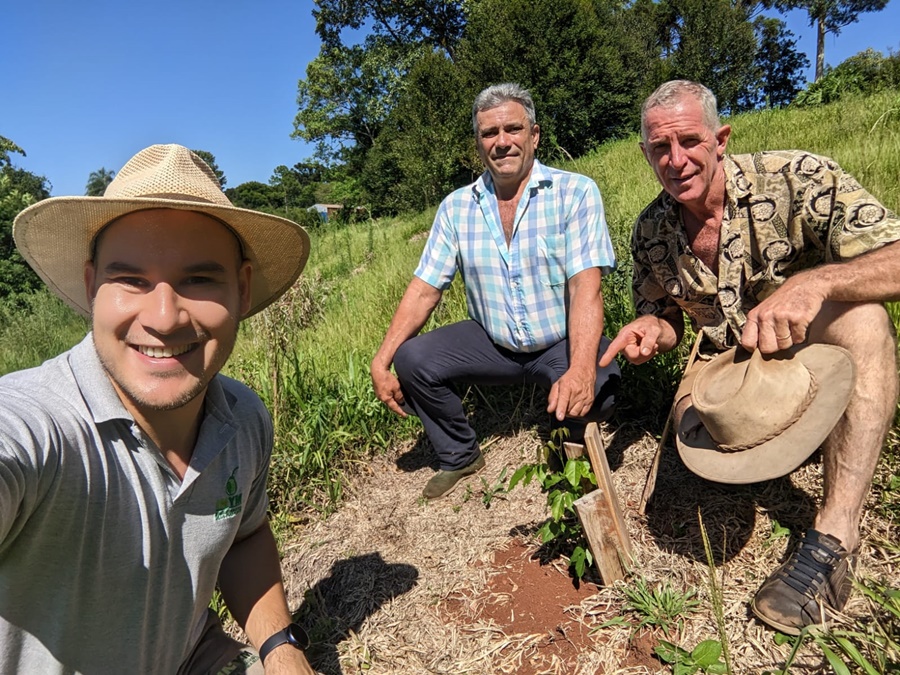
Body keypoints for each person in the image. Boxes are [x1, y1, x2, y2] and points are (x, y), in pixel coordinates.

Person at [600, 80, 900, 635]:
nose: (676, 160)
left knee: (864, 320)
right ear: (645, 154)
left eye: (690, 141)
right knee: (695, 465)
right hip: (726, 369)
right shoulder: (649, 230)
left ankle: (836, 536)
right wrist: (652, 329)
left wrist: (816, 283)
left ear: (720, 139)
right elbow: (667, 321)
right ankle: (791, 432)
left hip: (807, 347)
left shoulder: (797, 177)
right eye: (660, 148)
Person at [3, 144, 317, 673]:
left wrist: (282, 650)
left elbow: (244, 537)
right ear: (91, 286)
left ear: (241, 290)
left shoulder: (243, 417)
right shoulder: (37, 423)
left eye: (199, 279)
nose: (165, 318)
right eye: (131, 280)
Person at [371, 83, 620, 500]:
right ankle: (460, 454)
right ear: (479, 143)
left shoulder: (574, 192)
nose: (502, 142)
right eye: (489, 133)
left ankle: (565, 437)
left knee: (601, 384)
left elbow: (585, 287)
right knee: (411, 358)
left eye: (513, 129)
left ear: (534, 135)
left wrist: (580, 369)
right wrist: (382, 360)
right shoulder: (457, 207)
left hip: (559, 340)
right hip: (492, 343)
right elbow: (425, 288)